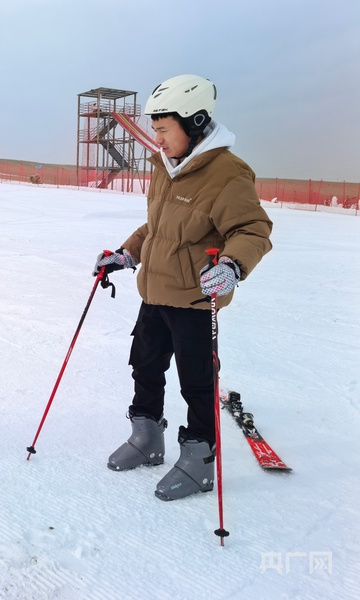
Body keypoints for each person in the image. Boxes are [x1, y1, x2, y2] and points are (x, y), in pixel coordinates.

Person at [94, 74, 272, 501]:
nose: (156, 138)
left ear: (195, 123)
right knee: (145, 367)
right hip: (154, 293)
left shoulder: (227, 173)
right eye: (154, 129)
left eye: (163, 129)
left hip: (195, 299)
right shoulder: (164, 167)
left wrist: (232, 264)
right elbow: (157, 226)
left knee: (196, 382)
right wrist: (126, 253)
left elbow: (253, 229)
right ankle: (147, 438)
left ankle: (199, 459)